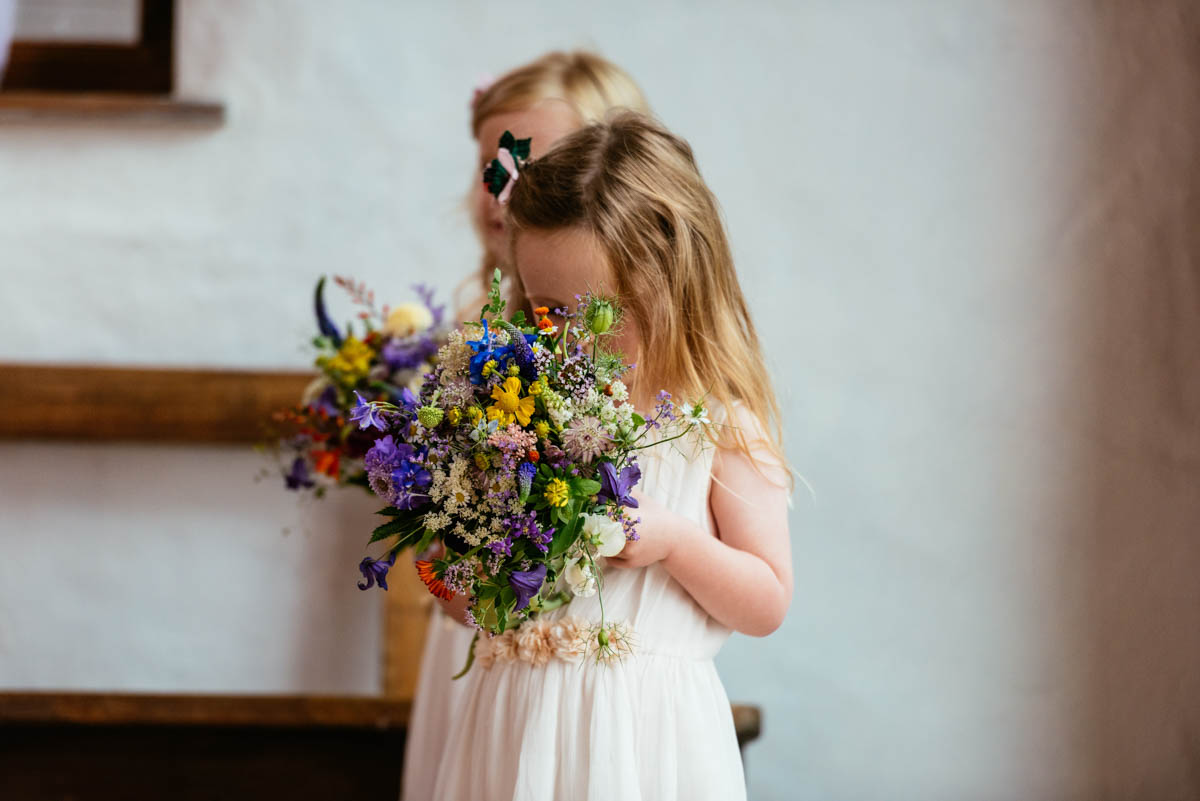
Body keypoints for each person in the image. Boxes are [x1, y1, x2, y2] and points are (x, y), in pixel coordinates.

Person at [431, 112, 793, 801]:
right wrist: (461, 565)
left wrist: (676, 542)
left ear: (668, 281)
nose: (572, 339)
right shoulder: (520, 412)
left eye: (597, 311)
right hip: (512, 719)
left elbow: (767, 599)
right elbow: (473, 603)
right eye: (546, 309)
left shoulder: (716, 421)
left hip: (641, 739)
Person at [401, 51, 651, 801]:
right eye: (490, 165)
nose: (501, 189)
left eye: (529, 163)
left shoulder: (617, 356)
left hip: (580, 670)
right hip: (476, 651)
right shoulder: (472, 336)